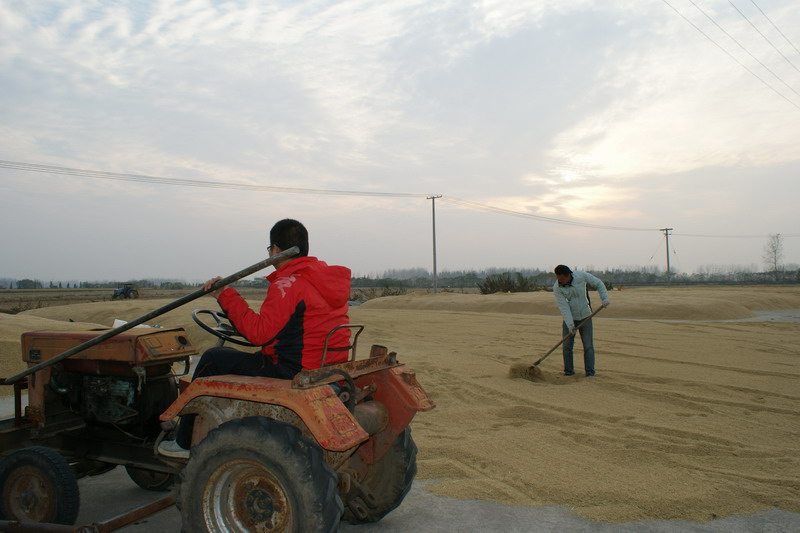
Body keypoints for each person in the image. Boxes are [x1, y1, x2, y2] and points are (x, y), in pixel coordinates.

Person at [158, 218, 352, 458]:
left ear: (276, 250)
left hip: (293, 371)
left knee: (212, 358)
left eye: (269, 249)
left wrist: (225, 295)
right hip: (325, 367)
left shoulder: (288, 284)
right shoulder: (322, 281)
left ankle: (184, 442)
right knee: (235, 358)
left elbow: (258, 334)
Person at [552, 265, 610, 377]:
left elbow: (598, 284)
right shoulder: (557, 287)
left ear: (568, 275)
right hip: (570, 319)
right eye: (558, 279)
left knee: (588, 346)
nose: (560, 281)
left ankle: (590, 373)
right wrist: (570, 324)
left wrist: (604, 298)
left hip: (586, 316)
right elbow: (564, 307)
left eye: (562, 279)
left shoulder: (581, 276)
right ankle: (569, 372)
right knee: (567, 346)